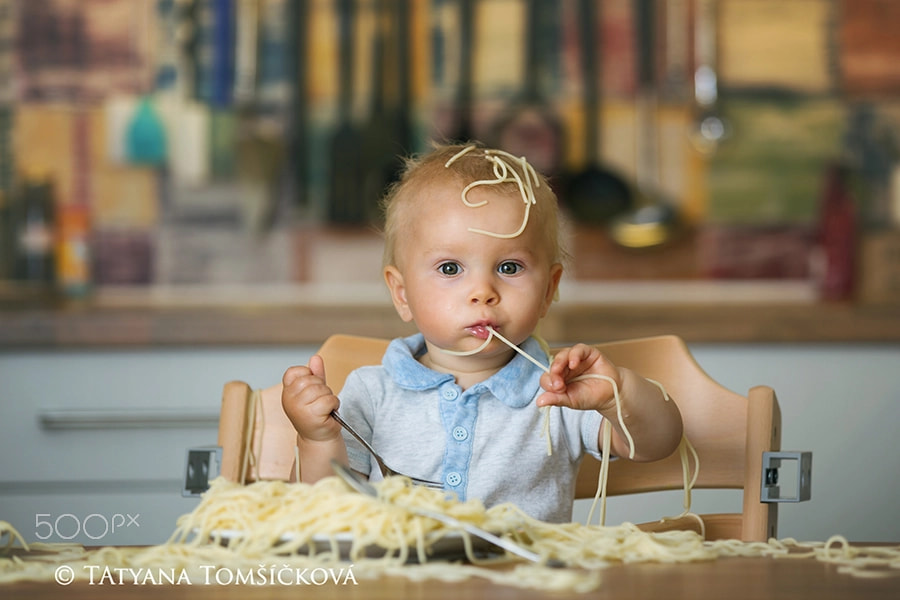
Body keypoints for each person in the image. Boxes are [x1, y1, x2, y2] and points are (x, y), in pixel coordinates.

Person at [282, 143, 683, 522]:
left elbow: (655, 443)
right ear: (402, 294)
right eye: (450, 269)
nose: (483, 293)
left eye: (509, 268)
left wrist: (618, 395)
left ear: (549, 290)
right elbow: (325, 507)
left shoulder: (559, 392)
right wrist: (317, 439)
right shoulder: (371, 393)